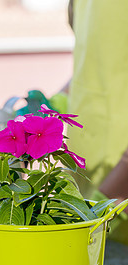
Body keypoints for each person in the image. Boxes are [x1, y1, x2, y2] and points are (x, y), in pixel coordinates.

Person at [57, 0, 128, 243]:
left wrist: (116, 190)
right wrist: (55, 104)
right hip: (87, 199)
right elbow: (98, 63)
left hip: (120, 202)